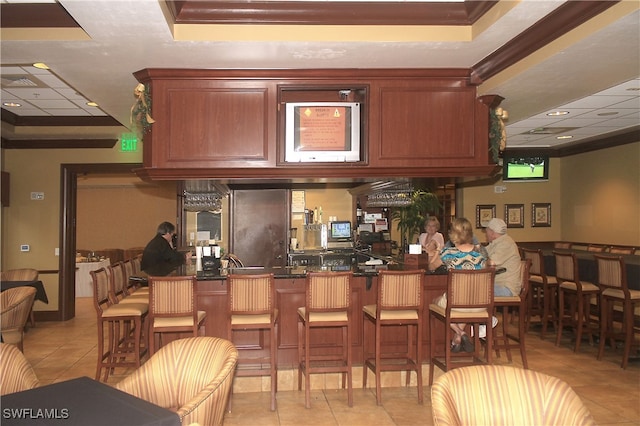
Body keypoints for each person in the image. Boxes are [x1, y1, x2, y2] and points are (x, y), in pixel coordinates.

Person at [433, 217, 487, 353]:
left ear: (453, 234)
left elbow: (431, 266)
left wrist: (434, 253)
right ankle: (457, 339)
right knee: (464, 303)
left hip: (456, 304)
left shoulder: (448, 253)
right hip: (480, 305)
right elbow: (489, 266)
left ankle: (460, 333)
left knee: (435, 301)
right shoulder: (480, 254)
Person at [484, 218, 522, 297]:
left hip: (506, 288)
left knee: (474, 290)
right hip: (497, 284)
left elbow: (491, 263)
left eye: (486, 230)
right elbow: (481, 254)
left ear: (492, 233)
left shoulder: (506, 244)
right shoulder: (496, 243)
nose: (485, 232)